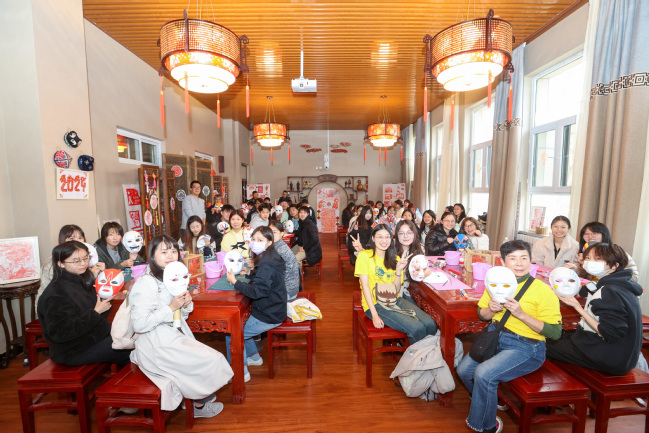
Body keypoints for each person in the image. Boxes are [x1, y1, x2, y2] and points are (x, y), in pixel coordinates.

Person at [457, 240, 562, 433]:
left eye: (524, 258)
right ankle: (490, 399)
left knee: (483, 374)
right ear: (503, 262)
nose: (519, 263)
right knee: (464, 370)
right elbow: (482, 314)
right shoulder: (495, 282)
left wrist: (522, 314)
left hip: (527, 347)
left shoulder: (543, 291)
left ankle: (487, 426)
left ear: (531, 261)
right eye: (513, 258)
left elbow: (555, 333)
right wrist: (491, 309)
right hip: (496, 337)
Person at [129, 235, 232, 417]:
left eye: (173, 251)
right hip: (153, 342)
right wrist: (171, 307)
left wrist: (184, 304)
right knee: (209, 360)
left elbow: (180, 316)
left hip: (171, 334)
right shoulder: (146, 283)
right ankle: (198, 405)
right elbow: (140, 324)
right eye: (164, 252)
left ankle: (197, 397)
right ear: (152, 256)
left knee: (208, 357)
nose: (170, 256)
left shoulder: (171, 276)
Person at [547, 243, 643, 375]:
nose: (590, 262)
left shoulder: (609, 291)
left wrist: (577, 307)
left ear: (615, 265)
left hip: (611, 357)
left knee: (543, 344)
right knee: (560, 336)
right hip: (625, 355)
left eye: (597, 259)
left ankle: (564, 384)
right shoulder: (621, 283)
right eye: (588, 258)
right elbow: (587, 290)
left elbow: (610, 333)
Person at [37, 241, 132, 366]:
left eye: (86, 258)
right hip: (73, 350)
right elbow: (60, 333)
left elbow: (98, 315)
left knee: (133, 338)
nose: (83, 263)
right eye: (76, 261)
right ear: (60, 264)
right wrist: (96, 312)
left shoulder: (81, 280)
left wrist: (104, 298)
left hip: (94, 338)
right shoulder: (55, 293)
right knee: (130, 348)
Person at [355, 224, 437, 344]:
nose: (384, 240)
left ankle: (427, 353)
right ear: (373, 238)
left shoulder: (396, 259)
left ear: (391, 239)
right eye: (380, 237)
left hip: (393, 299)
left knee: (430, 323)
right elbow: (365, 286)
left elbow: (396, 291)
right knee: (416, 328)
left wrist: (398, 270)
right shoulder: (364, 256)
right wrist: (374, 315)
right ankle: (416, 355)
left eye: (387, 237)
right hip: (375, 304)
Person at [225, 226, 287, 381]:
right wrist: (250, 274)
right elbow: (267, 280)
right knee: (241, 325)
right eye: (253, 239)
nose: (255, 242)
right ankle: (254, 357)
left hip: (270, 314)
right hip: (274, 308)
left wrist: (235, 282)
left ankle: (240, 371)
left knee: (232, 333)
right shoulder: (271, 256)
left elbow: (257, 292)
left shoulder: (266, 263)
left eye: (260, 240)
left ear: (269, 242)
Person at [38, 224, 106, 311]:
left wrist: (101, 273)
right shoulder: (52, 265)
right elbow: (63, 293)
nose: (77, 241)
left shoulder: (88, 258)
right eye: (71, 239)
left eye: (80, 237)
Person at [573, 221, 639, 281]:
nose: (590, 236)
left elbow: (634, 277)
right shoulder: (582, 253)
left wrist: (609, 274)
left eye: (595, 233)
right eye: (586, 234)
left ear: (604, 235)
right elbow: (579, 277)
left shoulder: (616, 252)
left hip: (610, 286)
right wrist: (583, 265)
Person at [394, 220, 426, 301]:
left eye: (409, 232)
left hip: (412, 290)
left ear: (414, 234)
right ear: (397, 235)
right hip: (394, 291)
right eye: (401, 233)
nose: (405, 236)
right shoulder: (391, 249)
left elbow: (421, 271)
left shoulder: (420, 249)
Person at [269, 221, 300, 301]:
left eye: (274, 232)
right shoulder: (278, 245)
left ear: (282, 233)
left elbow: (273, 272)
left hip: (287, 290)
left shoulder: (280, 249)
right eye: (270, 232)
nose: (271, 234)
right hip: (290, 287)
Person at [293, 206, 322, 270]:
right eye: (301, 212)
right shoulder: (302, 222)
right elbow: (300, 233)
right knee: (288, 254)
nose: (302, 214)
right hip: (302, 245)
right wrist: (290, 231)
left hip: (311, 249)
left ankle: (297, 275)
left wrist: (304, 248)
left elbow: (314, 239)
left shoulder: (310, 224)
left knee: (296, 259)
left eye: (304, 213)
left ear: (308, 214)